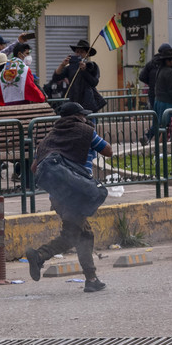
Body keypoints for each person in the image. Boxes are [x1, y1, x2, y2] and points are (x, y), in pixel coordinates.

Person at [25, 102, 112, 294]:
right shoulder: (85, 132)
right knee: (72, 236)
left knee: (84, 234)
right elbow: (108, 151)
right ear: (78, 117)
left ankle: (91, 279)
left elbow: (34, 168)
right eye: (83, 115)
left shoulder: (49, 137)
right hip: (77, 194)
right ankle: (39, 255)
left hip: (57, 196)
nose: (85, 118)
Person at [52, 39, 105, 113]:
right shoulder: (70, 67)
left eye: (82, 52)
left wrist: (84, 70)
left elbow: (94, 82)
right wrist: (62, 65)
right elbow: (56, 77)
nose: (79, 54)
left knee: (90, 124)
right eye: (77, 52)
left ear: (87, 54)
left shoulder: (92, 66)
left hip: (88, 104)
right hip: (74, 103)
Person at [150, 46, 172, 143]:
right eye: (171, 60)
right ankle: (161, 148)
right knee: (167, 128)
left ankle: (159, 148)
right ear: (166, 61)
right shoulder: (170, 72)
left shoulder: (160, 70)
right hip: (168, 103)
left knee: (162, 127)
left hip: (159, 102)